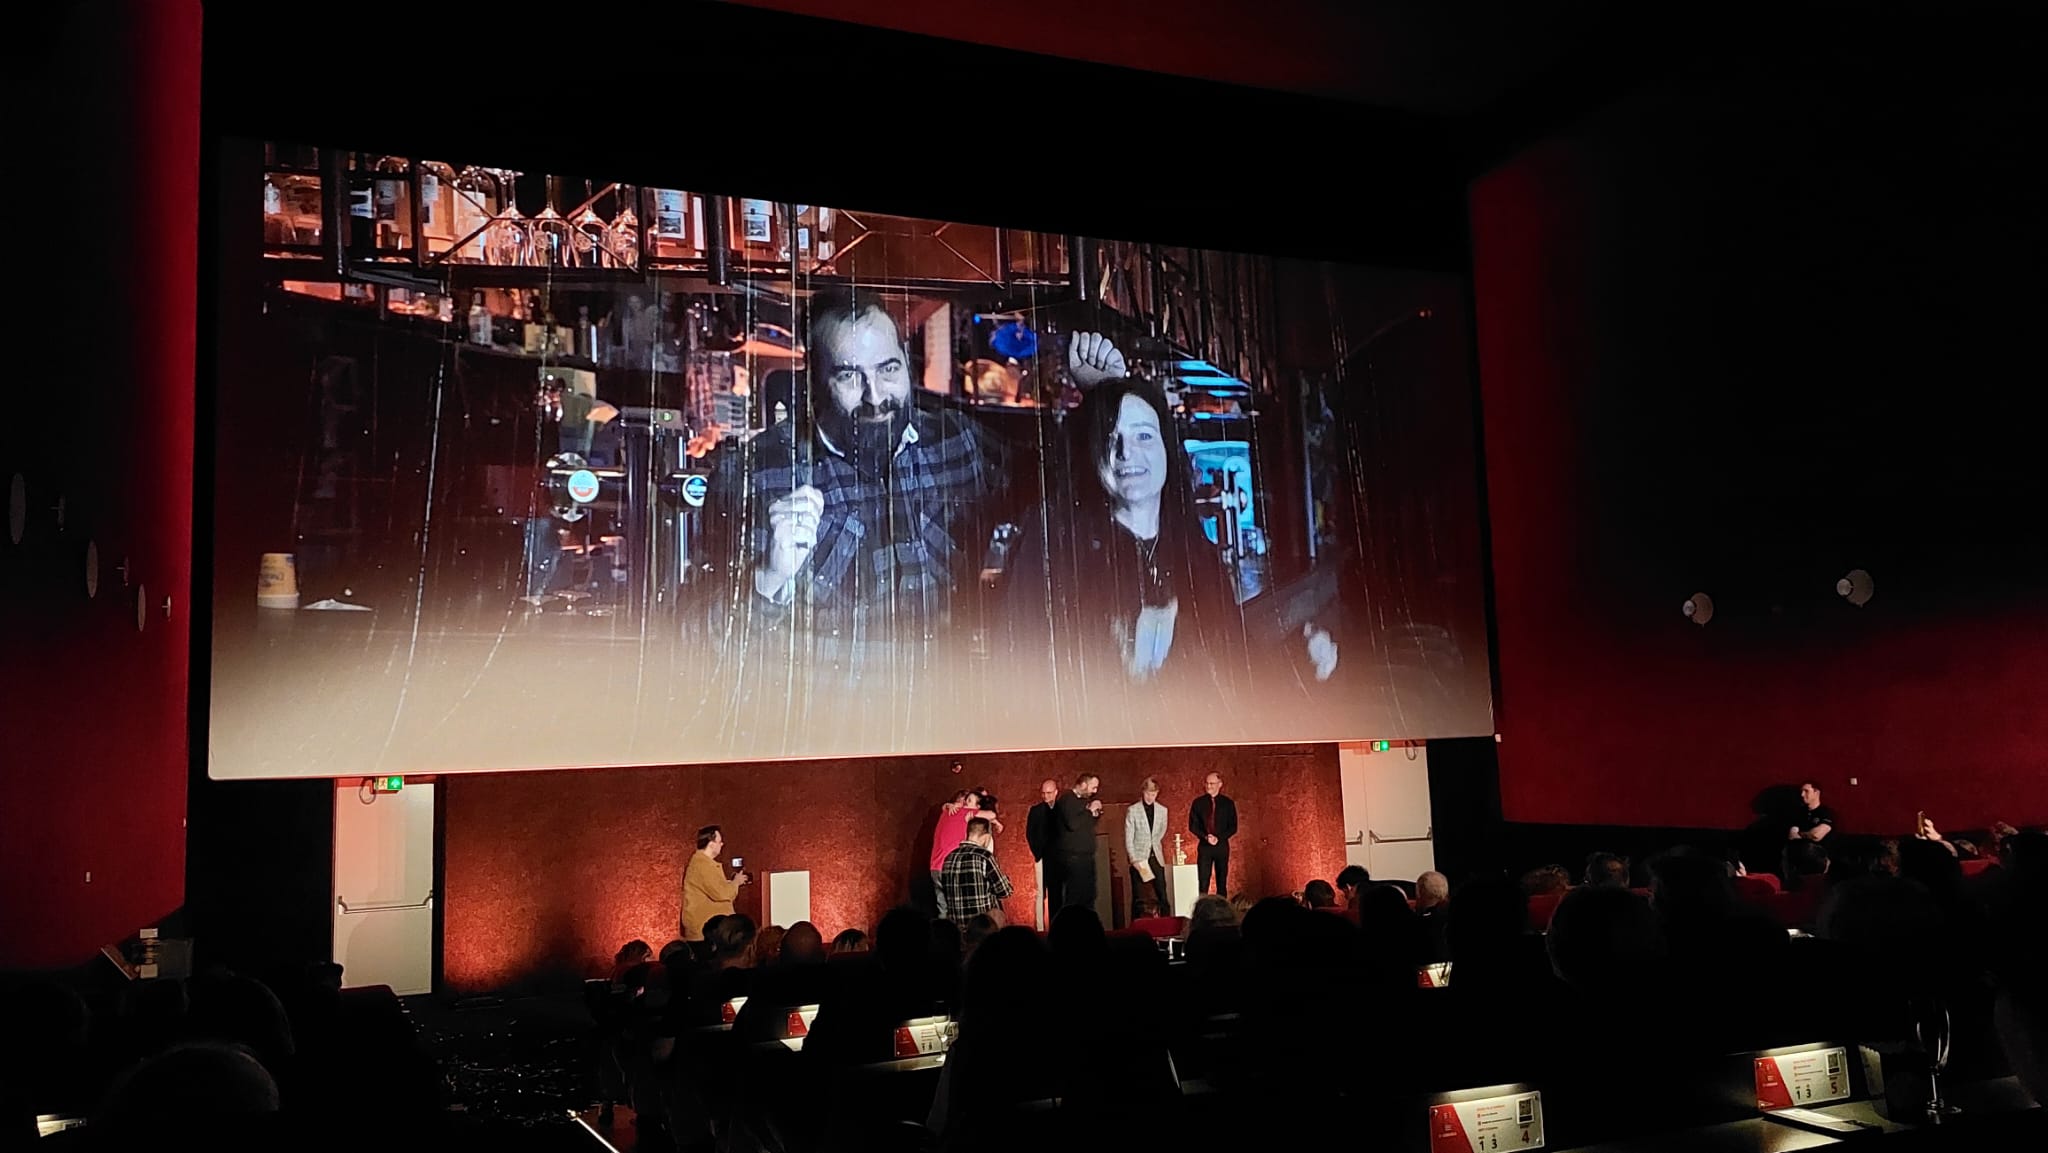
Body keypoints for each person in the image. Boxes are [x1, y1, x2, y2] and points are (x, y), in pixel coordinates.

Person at [681, 825, 751, 943]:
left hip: (711, 932)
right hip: (706, 935)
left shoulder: (704, 864)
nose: (722, 844)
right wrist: (736, 882)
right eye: (719, 841)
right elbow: (722, 893)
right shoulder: (702, 865)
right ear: (711, 844)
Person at [940, 817, 1014, 921]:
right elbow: (1005, 891)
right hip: (981, 926)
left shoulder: (949, 857)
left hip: (956, 926)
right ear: (987, 837)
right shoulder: (984, 856)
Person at [1054, 774, 1105, 910]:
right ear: (1083, 785)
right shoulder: (1067, 800)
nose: (1095, 791)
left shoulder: (1084, 801)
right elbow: (1073, 823)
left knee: (1089, 896)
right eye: (1093, 787)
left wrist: (1095, 814)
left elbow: (1086, 824)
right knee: (1075, 897)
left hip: (1087, 857)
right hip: (1074, 859)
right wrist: (1089, 810)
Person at [1123, 778, 1172, 919]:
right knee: (1138, 897)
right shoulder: (1133, 810)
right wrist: (1133, 859)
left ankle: (1166, 923)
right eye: (1148, 794)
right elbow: (1129, 837)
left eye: (1153, 794)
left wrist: (1153, 843)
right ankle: (1136, 924)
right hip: (1139, 858)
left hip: (1156, 856)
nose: (1150, 797)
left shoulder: (1163, 810)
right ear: (1143, 792)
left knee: (1162, 894)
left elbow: (1161, 831)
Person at [929, 790, 982, 918]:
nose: (965, 805)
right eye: (966, 801)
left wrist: (947, 805)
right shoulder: (961, 813)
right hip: (950, 867)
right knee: (957, 909)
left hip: (935, 867)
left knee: (942, 908)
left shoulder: (945, 813)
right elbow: (991, 814)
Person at [1189, 772, 1238, 896]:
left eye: (1212, 783)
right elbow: (1193, 826)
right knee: (1203, 881)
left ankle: (1222, 906)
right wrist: (1206, 837)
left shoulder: (1228, 803)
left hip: (1221, 846)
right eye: (1207, 783)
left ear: (1220, 784)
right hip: (1205, 846)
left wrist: (1219, 838)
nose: (1208, 786)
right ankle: (1203, 905)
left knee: (1222, 881)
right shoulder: (1198, 803)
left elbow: (1233, 827)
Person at [1025, 778, 1061, 925]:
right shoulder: (1036, 811)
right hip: (1043, 857)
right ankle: (1040, 928)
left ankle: (1057, 924)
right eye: (1044, 793)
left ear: (1056, 792)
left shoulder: (1063, 809)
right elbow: (1030, 834)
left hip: (1059, 858)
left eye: (1049, 793)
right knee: (1041, 893)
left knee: (1057, 893)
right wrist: (1037, 854)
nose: (1046, 796)